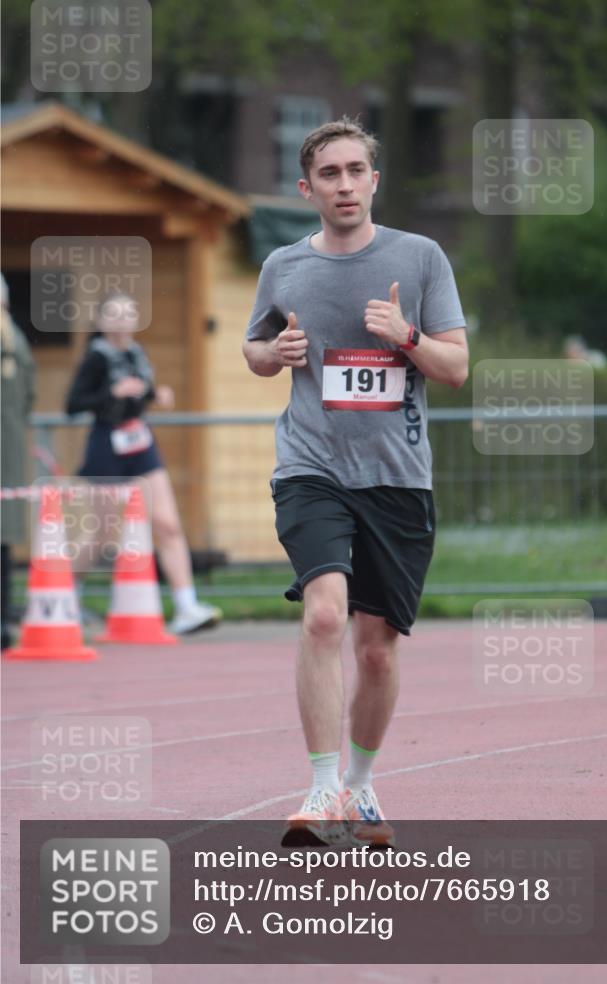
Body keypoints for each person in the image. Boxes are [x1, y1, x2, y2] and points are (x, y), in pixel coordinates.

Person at [243, 117, 468, 846]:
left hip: (397, 479)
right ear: (306, 188)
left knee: (375, 646)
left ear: (375, 180)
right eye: (328, 174)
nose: (343, 185)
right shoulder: (282, 265)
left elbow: (455, 368)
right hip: (311, 466)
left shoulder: (421, 256)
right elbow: (254, 349)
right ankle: (318, 791)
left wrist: (403, 336)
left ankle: (361, 787)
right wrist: (273, 352)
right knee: (323, 615)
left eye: (354, 171)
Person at [65, 292, 221, 636]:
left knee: (167, 524)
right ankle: (65, 599)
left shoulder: (138, 353)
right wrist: (112, 395)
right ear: (102, 322)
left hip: (141, 444)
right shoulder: (96, 358)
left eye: (128, 314)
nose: (122, 321)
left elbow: (141, 391)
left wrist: (155, 394)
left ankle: (186, 606)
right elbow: (73, 403)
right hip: (106, 446)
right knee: (102, 533)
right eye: (115, 315)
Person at [1, 274, 36, 650]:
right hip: (9, 448)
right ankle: (2, 620)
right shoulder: (19, 341)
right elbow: (30, 395)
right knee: (3, 542)